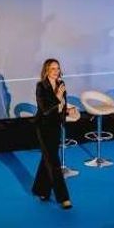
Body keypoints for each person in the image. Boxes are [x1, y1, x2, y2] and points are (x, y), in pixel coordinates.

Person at [31, 58, 77, 208]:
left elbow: (61, 107)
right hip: (44, 127)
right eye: (53, 68)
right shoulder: (41, 86)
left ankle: (41, 190)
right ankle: (63, 198)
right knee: (54, 162)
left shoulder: (61, 85)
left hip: (56, 126)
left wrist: (68, 111)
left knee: (47, 159)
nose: (56, 71)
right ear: (46, 70)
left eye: (58, 68)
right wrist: (57, 97)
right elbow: (44, 109)